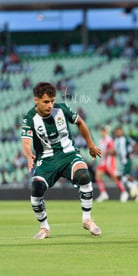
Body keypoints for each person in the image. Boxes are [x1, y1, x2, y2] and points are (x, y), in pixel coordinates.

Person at [21, 82, 102, 239]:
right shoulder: (30, 118)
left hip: (68, 155)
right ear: (36, 100)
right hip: (46, 160)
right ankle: (44, 228)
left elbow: (80, 122)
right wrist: (28, 155)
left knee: (84, 176)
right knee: (36, 188)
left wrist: (91, 145)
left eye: (52, 101)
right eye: (46, 101)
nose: (50, 105)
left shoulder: (61, 109)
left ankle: (87, 219)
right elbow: (25, 142)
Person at [95, 126, 129, 202]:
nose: (102, 133)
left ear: (106, 132)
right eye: (102, 131)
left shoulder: (109, 140)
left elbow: (113, 150)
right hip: (103, 162)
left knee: (114, 177)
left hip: (109, 162)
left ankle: (124, 192)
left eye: (104, 131)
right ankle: (103, 193)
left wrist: (106, 152)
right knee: (98, 176)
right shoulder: (101, 141)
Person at [114, 126, 138, 202]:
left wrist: (132, 153)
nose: (118, 132)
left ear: (122, 131)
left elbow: (135, 144)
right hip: (121, 161)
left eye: (119, 131)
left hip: (126, 161)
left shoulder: (126, 138)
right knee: (127, 177)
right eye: (117, 131)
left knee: (120, 176)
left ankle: (133, 189)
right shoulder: (116, 140)